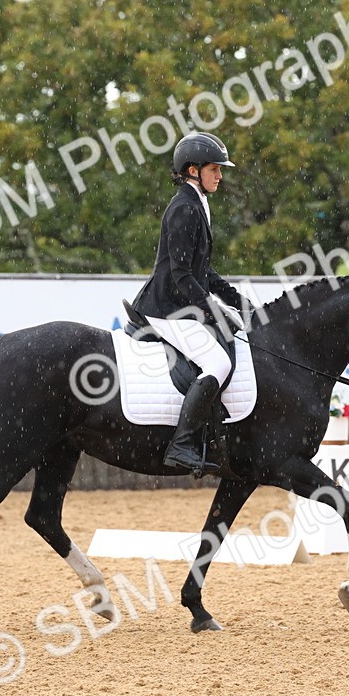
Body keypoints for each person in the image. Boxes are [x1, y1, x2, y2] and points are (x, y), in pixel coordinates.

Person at [132, 131, 254, 476]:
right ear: (191, 170)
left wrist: (239, 304)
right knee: (217, 364)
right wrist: (214, 312)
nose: (220, 175)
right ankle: (182, 445)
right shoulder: (184, 208)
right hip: (165, 307)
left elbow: (205, 271)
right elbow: (183, 275)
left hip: (179, 303)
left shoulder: (197, 203)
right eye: (215, 169)